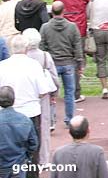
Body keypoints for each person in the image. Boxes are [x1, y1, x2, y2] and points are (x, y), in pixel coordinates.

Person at [0, 35, 52, 178]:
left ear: (11, 49)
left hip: (5, 114)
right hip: (30, 113)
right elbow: (43, 91)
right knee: (32, 151)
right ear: (27, 48)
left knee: (5, 149)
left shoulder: (2, 66)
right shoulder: (34, 65)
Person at [40, 1, 82, 128]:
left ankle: (51, 120)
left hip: (52, 64)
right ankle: (69, 120)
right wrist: (79, 63)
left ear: (51, 12)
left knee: (51, 93)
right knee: (69, 92)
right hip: (69, 63)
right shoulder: (72, 27)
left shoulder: (45, 28)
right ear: (64, 11)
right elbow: (77, 46)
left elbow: (42, 47)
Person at [53, 0, 91, 103]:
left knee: (60, 59)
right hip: (78, 29)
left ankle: (57, 92)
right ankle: (75, 93)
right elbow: (87, 3)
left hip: (61, 29)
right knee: (77, 60)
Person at [24, 28, 59, 167]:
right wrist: (54, 93)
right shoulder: (45, 56)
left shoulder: (24, 58)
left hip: (27, 94)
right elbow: (53, 76)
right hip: (43, 95)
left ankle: (27, 158)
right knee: (44, 127)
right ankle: (44, 159)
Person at [0, 86, 38, 178]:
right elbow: (33, 144)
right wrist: (25, 158)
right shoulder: (25, 120)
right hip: (18, 164)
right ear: (13, 100)